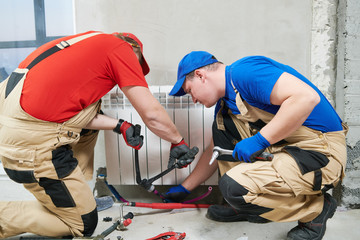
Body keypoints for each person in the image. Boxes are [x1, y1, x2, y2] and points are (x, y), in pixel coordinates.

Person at [0, 31, 197, 239]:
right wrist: (178, 141)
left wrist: (121, 126)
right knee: (83, 224)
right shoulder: (120, 49)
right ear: (133, 49)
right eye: (135, 64)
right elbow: (152, 115)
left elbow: (69, 112)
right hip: (34, 148)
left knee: (92, 117)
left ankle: (76, 198)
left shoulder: (83, 44)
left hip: (17, 134)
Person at [165, 51, 348, 240]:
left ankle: (315, 211)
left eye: (189, 91)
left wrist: (260, 140)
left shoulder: (245, 72)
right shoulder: (226, 103)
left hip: (321, 152)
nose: (193, 99)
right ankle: (244, 206)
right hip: (288, 147)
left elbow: (306, 98)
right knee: (222, 125)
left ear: (200, 76)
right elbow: (215, 151)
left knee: (233, 187)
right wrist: (185, 188)